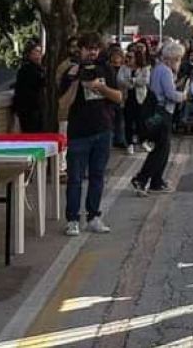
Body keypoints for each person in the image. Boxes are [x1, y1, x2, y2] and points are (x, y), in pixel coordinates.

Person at [59, 32, 124, 235]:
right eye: (89, 48)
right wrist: (76, 81)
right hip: (79, 132)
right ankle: (72, 219)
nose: (93, 52)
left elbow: (119, 97)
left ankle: (94, 216)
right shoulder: (71, 71)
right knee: (75, 178)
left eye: (96, 48)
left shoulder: (105, 69)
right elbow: (62, 104)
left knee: (97, 176)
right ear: (81, 50)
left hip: (103, 130)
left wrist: (100, 87)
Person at [132, 41, 185, 196]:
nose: (179, 62)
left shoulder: (158, 69)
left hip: (157, 112)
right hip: (162, 113)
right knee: (161, 150)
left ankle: (157, 181)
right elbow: (170, 94)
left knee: (163, 148)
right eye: (178, 59)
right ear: (172, 58)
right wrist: (183, 95)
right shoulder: (166, 71)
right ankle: (141, 179)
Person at [121, 40, 154, 154]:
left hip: (140, 97)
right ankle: (129, 143)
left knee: (142, 121)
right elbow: (120, 80)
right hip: (128, 97)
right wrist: (131, 82)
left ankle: (143, 141)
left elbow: (145, 81)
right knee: (128, 121)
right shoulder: (124, 68)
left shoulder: (144, 68)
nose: (129, 59)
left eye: (132, 57)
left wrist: (133, 80)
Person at [13, 38, 46, 132]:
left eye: (40, 52)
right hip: (29, 110)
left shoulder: (39, 69)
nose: (39, 55)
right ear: (29, 54)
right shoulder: (27, 70)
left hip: (37, 109)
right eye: (36, 52)